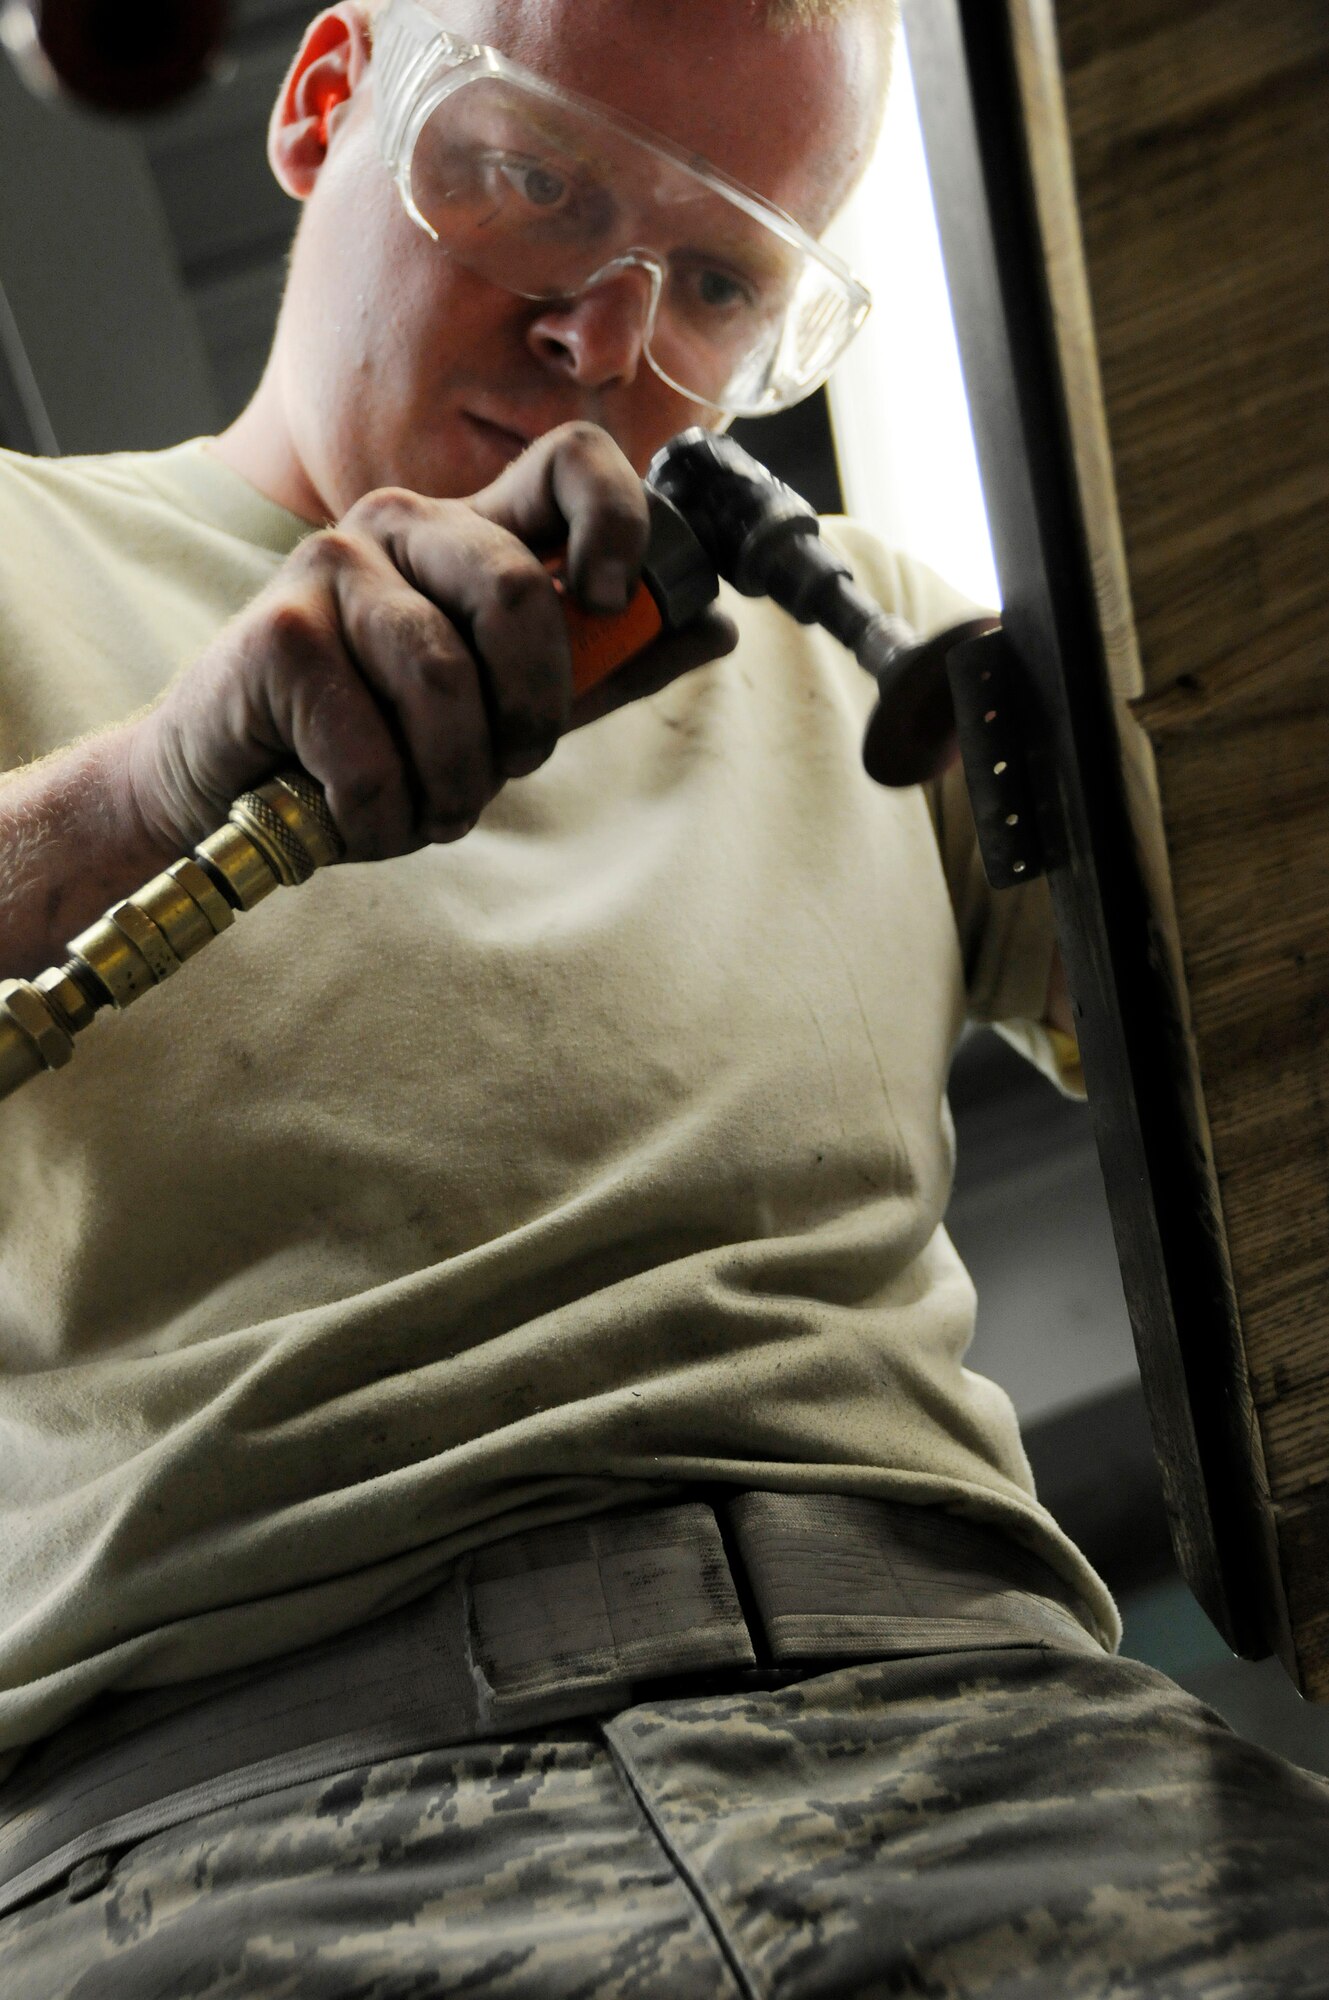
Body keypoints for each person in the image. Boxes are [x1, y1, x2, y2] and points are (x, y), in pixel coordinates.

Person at [0, 0, 1326, 1993]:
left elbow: (1263, 994)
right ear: (321, 95)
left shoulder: (891, 661)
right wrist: (152, 783)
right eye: (531, 177)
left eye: (712, 279)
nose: (602, 340)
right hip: (227, 1853)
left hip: (1003, 1761)